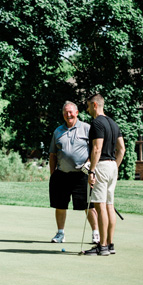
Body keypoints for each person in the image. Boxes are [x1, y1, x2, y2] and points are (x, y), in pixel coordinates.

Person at [48, 101, 99, 244]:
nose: (68, 114)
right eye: (65, 112)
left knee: (88, 205)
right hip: (62, 174)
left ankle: (96, 233)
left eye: (70, 112)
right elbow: (52, 154)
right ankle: (60, 234)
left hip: (82, 174)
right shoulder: (58, 131)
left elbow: (95, 149)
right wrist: (53, 174)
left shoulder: (87, 128)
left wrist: (90, 167)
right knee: (60, 205)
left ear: (76, 113)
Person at [82, 93, 125, 256]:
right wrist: (115, 166)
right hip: (112, 166)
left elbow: (97, 148)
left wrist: (92, 170)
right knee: (109, 206)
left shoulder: (97, 123)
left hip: (101, 166)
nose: (87, 109)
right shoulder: (113, 123)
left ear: (94, 105)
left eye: (87, 106)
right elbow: (122, 149)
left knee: (100, 207)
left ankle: (102, 246)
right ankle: (110, 244)